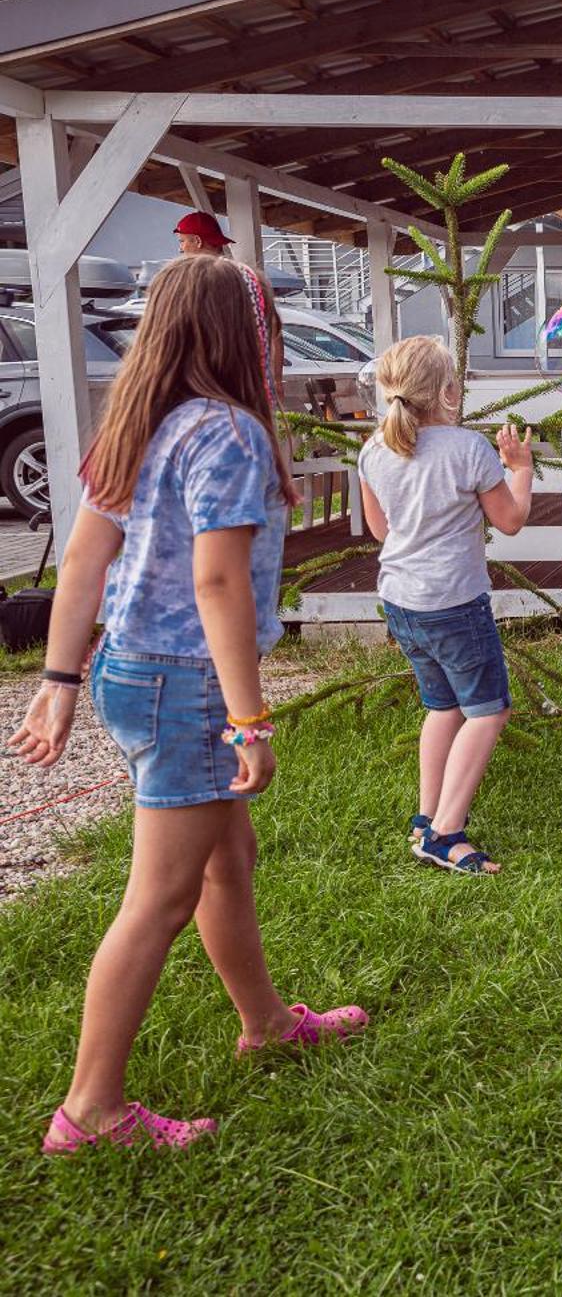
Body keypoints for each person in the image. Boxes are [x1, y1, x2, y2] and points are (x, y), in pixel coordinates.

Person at [8, 255, 367, 1154]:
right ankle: (90, 1108)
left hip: (130, 670)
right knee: (160, 896)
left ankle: (267, 1022)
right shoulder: (231, 432)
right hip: (185, 682)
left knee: (225, 856)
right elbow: (218, 580)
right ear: (248, 334)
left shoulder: (141, 423)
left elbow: (84, 561)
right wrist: (250, 718)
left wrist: (57, 683)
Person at [357, 336, 534, 874]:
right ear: (447, 391)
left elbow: (379, 530)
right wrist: (520, 467)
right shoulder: (468, 450)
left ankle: (425, 815)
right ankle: (445, 832)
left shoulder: (372, 450)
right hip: (454, 604)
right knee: (489, 710)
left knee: (443, 706)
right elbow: (510, 520)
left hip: (402, 601)